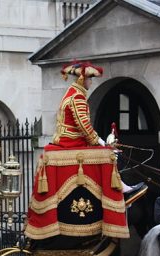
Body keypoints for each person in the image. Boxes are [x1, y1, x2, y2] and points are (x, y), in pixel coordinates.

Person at [54, 61, 146, 204]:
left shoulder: (74, 93)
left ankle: (122, 187)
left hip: (71, 139)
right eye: (90, 78)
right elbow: (84, 127)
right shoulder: (77, 96)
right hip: (71, 141)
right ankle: (122, 190)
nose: (91, 82)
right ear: (82, 79)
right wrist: (102, 143)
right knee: (107, 155)